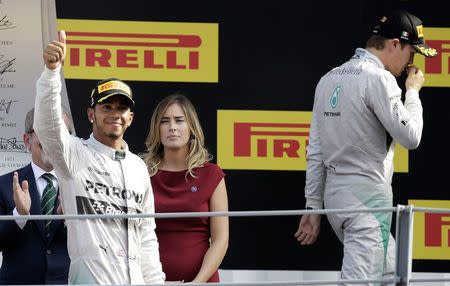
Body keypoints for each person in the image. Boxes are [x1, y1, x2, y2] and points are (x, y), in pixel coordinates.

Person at [294, 10, 437, 284]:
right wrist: (413, 92)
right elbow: (411, 136)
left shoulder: (328, 78)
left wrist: (313, 206)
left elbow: (315, 152)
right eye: (412, 52)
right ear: (395, 44)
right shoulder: (379, 78)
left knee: (392, 275)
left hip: (337, 200)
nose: (412, 62)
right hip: (366, 204)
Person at [33, 30, 165, 284]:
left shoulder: (139, 168)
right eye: (106, 107)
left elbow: (147, 237)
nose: (114, 114)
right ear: (91, 114)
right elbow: (48, 126)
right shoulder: (74, 155)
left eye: (121, 108)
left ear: (130, 118)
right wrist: (51, 73)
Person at [142, 94, 229, 283]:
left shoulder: (212, 174)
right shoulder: (140, 173)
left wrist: (197, 283)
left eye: (179, 120)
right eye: (165, 121)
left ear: (191, 127)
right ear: (157, 128)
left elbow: (221, 240)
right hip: (149, 281)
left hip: (201, 281)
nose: (172, 127)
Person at [0, 107, 72, 284]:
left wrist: (72, 222)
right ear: (27, 140)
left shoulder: (80, 186)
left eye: (62, 132)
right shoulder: (4, 185)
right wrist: (19, 215)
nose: (54, 139)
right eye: (46, 130)